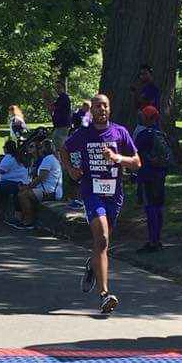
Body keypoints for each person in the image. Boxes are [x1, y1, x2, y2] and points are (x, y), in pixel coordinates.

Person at [60, 94, 140, 314]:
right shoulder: (83, 134)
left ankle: (92, 265)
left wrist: (117, 158)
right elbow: (64, 149)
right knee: (103, 237)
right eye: (97, 106)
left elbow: (136, 162)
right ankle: (105, 294)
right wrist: (70, 169)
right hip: (90, 191)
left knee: (101, 243)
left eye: (105, 105)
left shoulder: (120, 132)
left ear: (109, 108)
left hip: (114, 194)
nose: (101, 109)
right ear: (91, 111)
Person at [134, 105, 171, 253]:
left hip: (147, 175)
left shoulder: (143, 135)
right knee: (158, 208)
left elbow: (134, 152)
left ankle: (152, 241)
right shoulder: (161, 133)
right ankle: (158, 240)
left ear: (145, 117)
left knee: (149, 209)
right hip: (160, 175)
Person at [16, 138, 63, 228]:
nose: (40, 149)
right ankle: (26, 218)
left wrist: (28, 187)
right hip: (48, 189)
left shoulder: (48, 159)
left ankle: (28, 221)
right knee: (23, 192)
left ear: (45, 148)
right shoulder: (51, 158)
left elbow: (41, 177)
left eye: (41, 147)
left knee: (23, 195)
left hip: (50, 191)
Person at [0, 140, 29, 222]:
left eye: (4, 147)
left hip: (15, 183)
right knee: (1, 187)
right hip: (22, 183)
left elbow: (1, 170)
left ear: (6, 149)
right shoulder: (19, 157)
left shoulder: (9, 157)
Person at [50, 80, 72, 151]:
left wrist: (45, 98)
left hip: (62, 126)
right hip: (59, 126)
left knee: (57, 147)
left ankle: (59, 161)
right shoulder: (60, 99)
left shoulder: (63, 98)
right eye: (55, 88)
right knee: (56, 145)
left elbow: (52, 108)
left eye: (59, 87)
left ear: (63, 88)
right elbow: (52, 108)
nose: (57, 89)